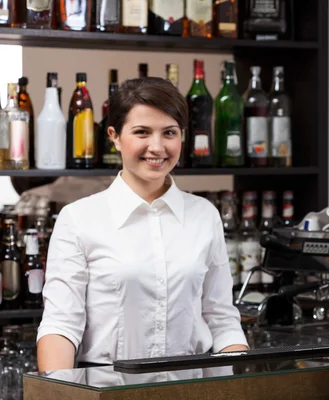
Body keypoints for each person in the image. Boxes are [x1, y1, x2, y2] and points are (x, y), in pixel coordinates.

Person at [36, 77, 248, 371]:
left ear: (182, 136)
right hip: (105, 388)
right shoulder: (78, 219)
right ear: (114, 136)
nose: (157, 147)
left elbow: (221, 319)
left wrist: (235, 389)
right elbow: (61, 325)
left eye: (169, 132)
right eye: (142, 132)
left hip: (192, 387)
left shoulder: (204, 215)